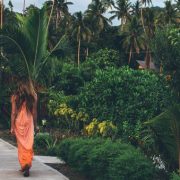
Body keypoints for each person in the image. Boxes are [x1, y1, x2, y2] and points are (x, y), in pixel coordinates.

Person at [10, 79, 38, 177]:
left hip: (19, 121)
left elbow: (13, 113)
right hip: (28, 120)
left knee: (21, 144)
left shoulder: (15, 97)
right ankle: (27, 163)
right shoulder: (33, 96)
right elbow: (34, 113)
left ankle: (24, 164)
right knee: (29, 143)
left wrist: (12, 126)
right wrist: (36, 124)